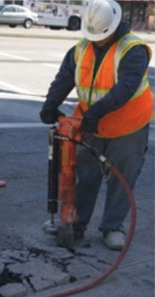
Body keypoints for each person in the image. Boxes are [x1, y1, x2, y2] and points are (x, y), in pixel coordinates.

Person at [40, 0, 153, 250]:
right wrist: (51, 104)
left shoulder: (132, 50)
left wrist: (95, 113)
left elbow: (125, 88)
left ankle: (112, 228)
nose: (97, 40)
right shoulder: (81, 49)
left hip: (128, 126)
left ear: (114, 27)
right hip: (91, 124)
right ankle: (76, 224)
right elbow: (64, 78)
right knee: (86, 175)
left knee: (121, 178)